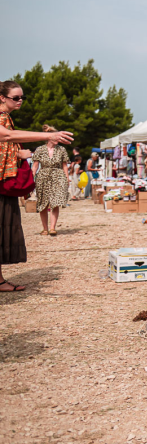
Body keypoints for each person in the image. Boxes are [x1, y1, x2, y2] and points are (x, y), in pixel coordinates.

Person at [0, 81, 74, 292]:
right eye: (16, 97)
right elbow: (5, 136)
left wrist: (17, 153)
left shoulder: (7, 118)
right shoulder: (2, 118)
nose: (20, 101)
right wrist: (49, 136)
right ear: (2, 98)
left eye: (22, 97)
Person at [31, 126, 70, 237]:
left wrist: (67, 178)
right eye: (56, 137)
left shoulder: (62, 149)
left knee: (55, 202)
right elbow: (35, 166)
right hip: (43, 176)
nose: (58, 139)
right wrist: (31, 179)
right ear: (49, 137)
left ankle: (52, 228)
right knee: (42, 203)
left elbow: (64, 165)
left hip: (58, 176)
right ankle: (45, 228)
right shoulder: (40, 149)